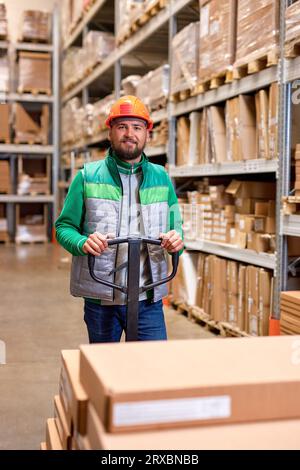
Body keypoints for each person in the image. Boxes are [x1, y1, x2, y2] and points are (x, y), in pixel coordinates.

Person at [55, 95, 184, 343]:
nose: (129, 133)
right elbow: (64, 227)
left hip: (148, 298)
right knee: (106, 372)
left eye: (137, 127)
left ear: (147, 134)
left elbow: (175, 226)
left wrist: (176, 239)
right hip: (101, 297)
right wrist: (82, 243)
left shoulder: (162, 177)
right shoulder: (87, 176)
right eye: (122, 126)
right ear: (110, 132)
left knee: (152, 371)